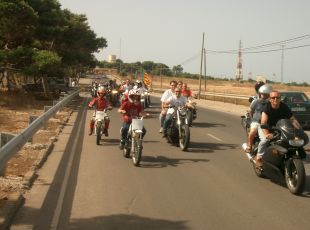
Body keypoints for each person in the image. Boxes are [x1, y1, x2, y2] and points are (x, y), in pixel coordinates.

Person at [256, 90, 301, 166]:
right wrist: (267, 134)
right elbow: (263, 122)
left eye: (277, 97)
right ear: (270, 99)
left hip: (279, 127)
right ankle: (259, 156)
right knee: (265, 140)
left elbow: (292, 119)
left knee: (289, 139)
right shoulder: (267, 108)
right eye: (273, 98)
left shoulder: (284, 107)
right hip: (266, 127)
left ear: (280, 98)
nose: (275, 99)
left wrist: (299, 129)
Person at [244, 84, 272, 153]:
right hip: (256, 122)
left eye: (266, 94)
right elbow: (251, 111)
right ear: (260, 94)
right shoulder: (256, 102)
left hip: (266, 123)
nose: (264, 96)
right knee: (252, 132)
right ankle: (249, 145)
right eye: (263, 94)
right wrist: (252, 119)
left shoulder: (270, 103)